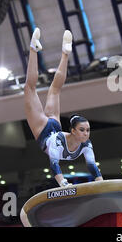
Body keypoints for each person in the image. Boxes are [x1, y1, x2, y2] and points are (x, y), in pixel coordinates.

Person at [24, 28, 103, 187]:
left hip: (51, 130)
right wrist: (63, 183)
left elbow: (92, 166)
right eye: (82, 130)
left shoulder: (86, 144)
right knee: (30, 88)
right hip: (45, 130)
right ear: (72, 130)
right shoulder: (59, 142)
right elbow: (54, 165)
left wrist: (101, 183)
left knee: (54, 89)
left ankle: (65, 53)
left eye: (87, 130)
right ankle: (34, 49)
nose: (86, 133)